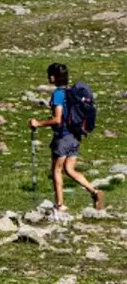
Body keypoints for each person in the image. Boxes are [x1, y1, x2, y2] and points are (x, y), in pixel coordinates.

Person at [29, 62, 104, 212]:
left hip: (63, 136)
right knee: (69, 170)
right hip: (75, 136)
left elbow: (57, 119)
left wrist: (38, 123)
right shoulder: (71, 92)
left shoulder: (58, 94)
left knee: (56, 170)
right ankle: (95, 192)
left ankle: (60, 205)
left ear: (52, 77)